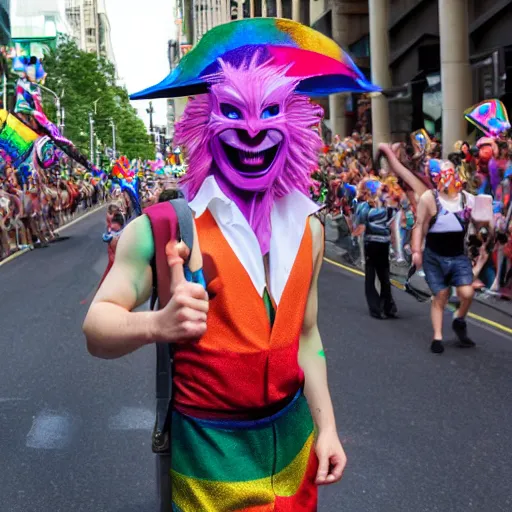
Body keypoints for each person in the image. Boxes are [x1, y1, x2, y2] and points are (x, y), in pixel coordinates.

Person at [81, 18, 381, 511]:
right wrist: (158, 322)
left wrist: (327, 427)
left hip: (294, 447)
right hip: (210, 458)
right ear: (205, 122)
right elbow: (97, 328)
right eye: (233, 113)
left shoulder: (311, 229)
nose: (253, 130)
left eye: (269, 112)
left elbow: (306, 334)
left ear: (294, 123)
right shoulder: (164, 228)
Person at [411, 161, 478, 354]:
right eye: (441, 175)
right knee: (441, 295)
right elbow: (419, 224)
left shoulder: (466, 199)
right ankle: (437, 336)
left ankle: (459, 320)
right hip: (435, 255)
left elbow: (482, 218)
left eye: (450, 174)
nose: (447, 179)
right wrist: (416, 250)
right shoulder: (428, 198)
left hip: (458, 255)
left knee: (467, 292)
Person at [353, 178, 398, 319]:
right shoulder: (388, 208)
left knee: (370, 275)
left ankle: (376, 308)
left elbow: (360, 225)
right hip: (384, 244)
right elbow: (392, 225)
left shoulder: (364, 207)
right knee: (384, 276)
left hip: (370, 243)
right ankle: (388, 306)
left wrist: (353, 236)